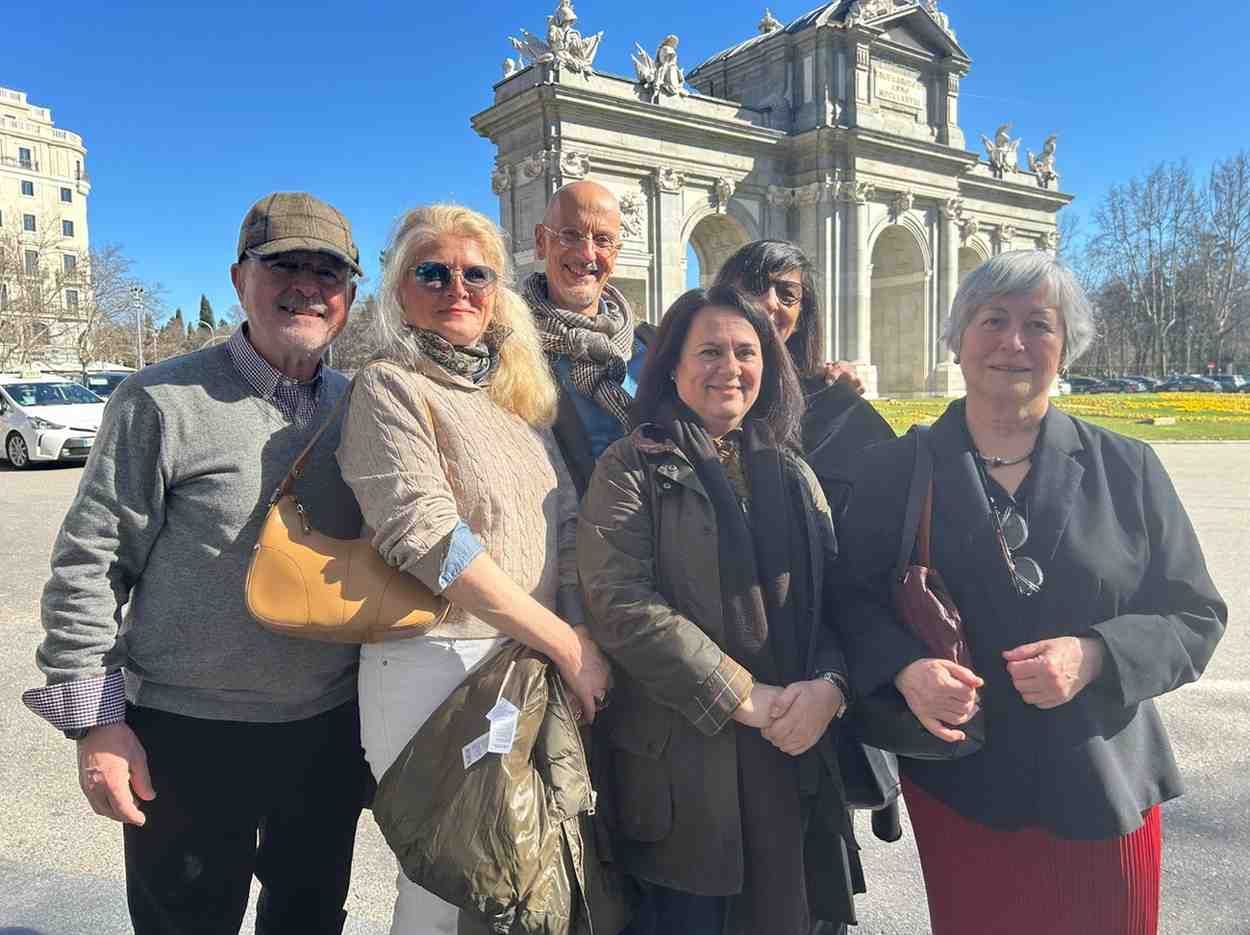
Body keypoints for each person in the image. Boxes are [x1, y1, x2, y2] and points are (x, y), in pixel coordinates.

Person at [834, 250, 1227, 935]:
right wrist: (905, 667)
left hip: (1104, 785)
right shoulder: (898, 467)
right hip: (965, 792)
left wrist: (1098, 654)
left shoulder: (1127, 467)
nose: (1013, 342)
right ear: (956, 340)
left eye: (1038, 325)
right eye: (992, 320)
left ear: (1065, 348)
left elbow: (1196, 614)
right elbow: (847, 600)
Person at [22, 191, 372, 934]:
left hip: (327, 731)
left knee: (310, 919)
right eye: (283, 265)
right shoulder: (159, 400)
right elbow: (89, 565)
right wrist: (96, 725)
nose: (306, 286)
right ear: (240, 277)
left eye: (328, 271)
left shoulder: (365, 407)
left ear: (350, 295)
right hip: (186, 734)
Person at [335, 203, 613, 935]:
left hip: (529, 657)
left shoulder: (515, 400)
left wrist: (574, 632)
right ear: (400, 291)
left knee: (523, 887)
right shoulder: (391, 386)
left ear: (499, 294)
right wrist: (562, 638)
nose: (456, 286)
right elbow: (430, 538)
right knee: (446, 891)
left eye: (475, 273)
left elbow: (570, 521)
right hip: (436, 664)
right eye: (433, 271)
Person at [577, 284, 860, 935]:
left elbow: (835, 603)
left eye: (745, 350)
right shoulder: (630, 467)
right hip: (684, 790)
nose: (728, 367)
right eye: (708, 350)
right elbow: (620, 604)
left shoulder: (793, 471)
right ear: (671, 365)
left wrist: (830, 687)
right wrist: (743, 694)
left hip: (796, 769)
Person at [526, 181, 863, 497]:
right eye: (570, 235)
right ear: (541, 240)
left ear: (616, 252)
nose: (587, 254)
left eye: (602, 240)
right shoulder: (506, 352)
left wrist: (820, 377)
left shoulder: (656, 343)